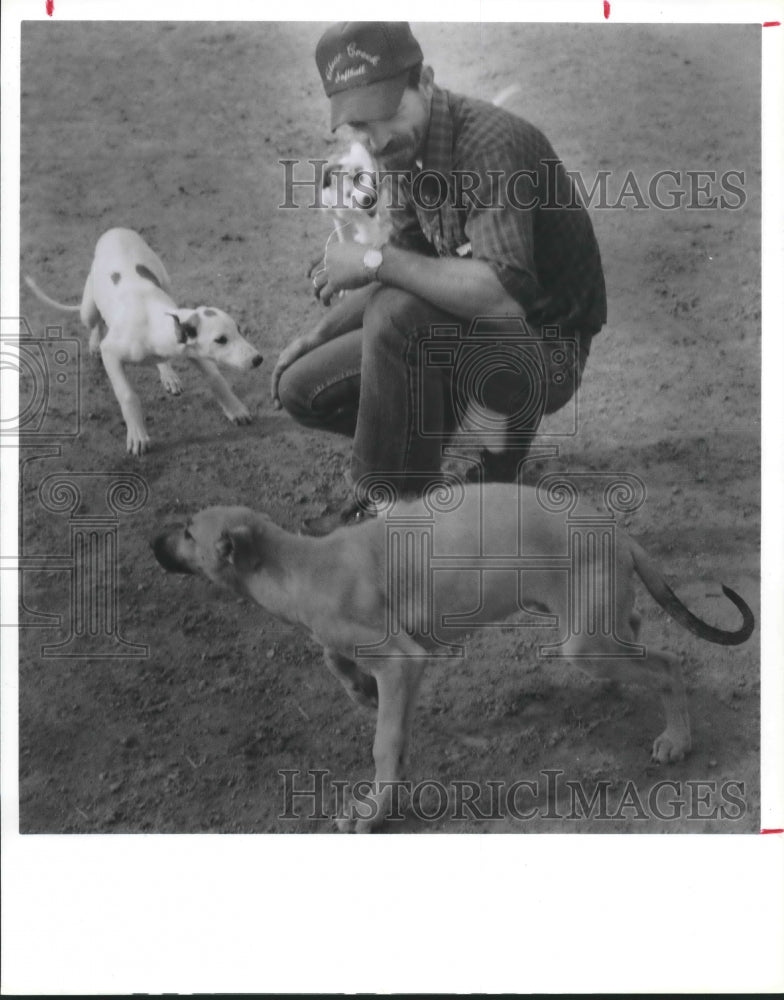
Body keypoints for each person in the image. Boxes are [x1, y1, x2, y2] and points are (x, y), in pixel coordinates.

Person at [272, 21, 607, 536]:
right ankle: (439, 470)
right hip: (465, 334)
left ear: (424, 80)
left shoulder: (490, 145)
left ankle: (393, 511)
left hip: (545, 348)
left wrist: (368, 260)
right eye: (358, 125)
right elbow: (406, 261)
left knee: (396, 313)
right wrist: (319, 334)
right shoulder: (402, 150)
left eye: (387, 112)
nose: (376, 138)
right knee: (302, 387)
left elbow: (502, 297)